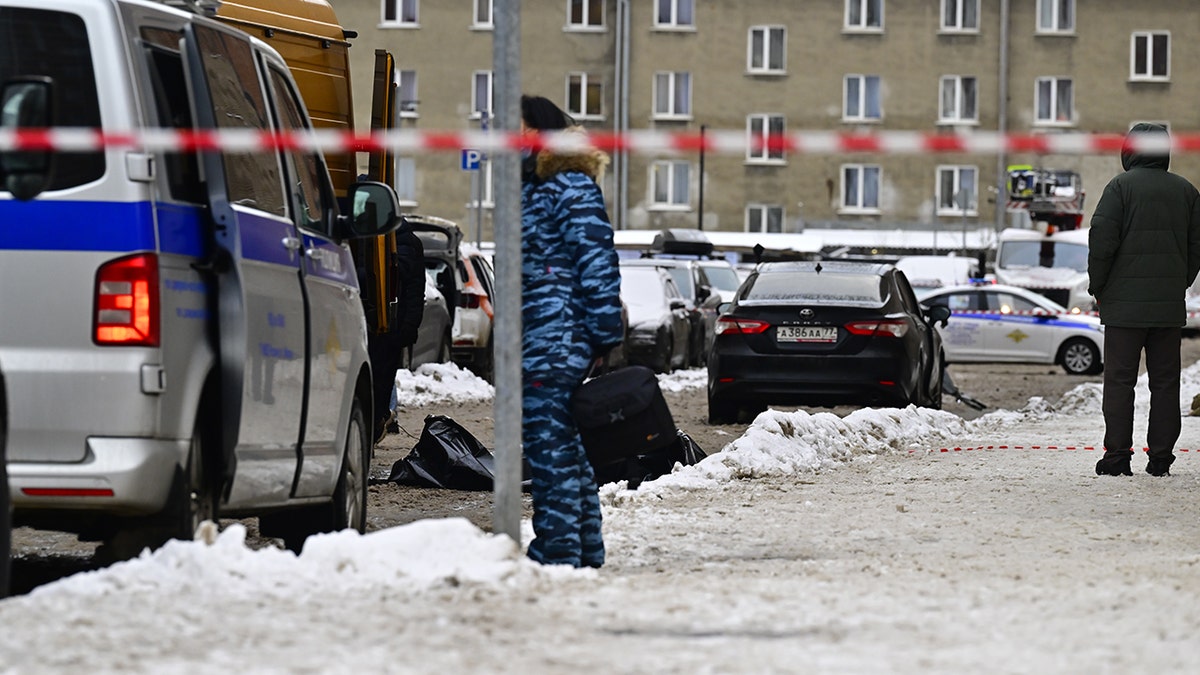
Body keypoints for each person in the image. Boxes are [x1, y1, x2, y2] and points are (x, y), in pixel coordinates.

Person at [519, 94, 624, 567]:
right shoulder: (536, 186)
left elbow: (597, 263)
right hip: (542, 333)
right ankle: (583, 549)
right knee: (564, 445)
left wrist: (604, 336)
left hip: (558, 335)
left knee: (549, 448)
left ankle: (559, 551)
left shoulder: (568, 186)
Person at [1089, 123, 1200, 477]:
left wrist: (1099, 287)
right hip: (1167, 308)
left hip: (1123, 310)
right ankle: (1161, 459)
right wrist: (1178, 283)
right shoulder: (1186, 191)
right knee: (1165, 383)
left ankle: (1117, 457)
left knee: (1120, 383)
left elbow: (1101, 242)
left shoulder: (1119, 188)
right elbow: (1196, 248)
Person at [360, 209, 425, 444]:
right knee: (379, 380)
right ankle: (376, 423)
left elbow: (412, 289)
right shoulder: (403, 240)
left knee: (379, 381)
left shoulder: (394, 241)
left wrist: (407, 328)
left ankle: (376, 423)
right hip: (387, 326)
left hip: (388, 326)